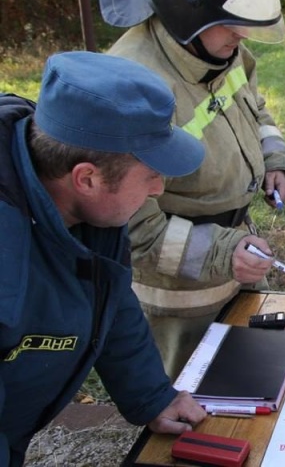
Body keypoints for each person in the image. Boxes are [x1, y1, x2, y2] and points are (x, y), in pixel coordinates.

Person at [98, 0, 285, 379]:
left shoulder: (213, 47)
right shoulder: (134, 89)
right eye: (232, 26)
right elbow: (138, 234)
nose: (241, 36)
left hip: (236, 262)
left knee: (251, 383)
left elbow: (255, 106)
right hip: (180, 297)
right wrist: (225, 251)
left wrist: (275, 160)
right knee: (190, 410)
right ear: (188, 11)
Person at [0, 51, 208, 466]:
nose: (158, 190)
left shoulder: (88, 208)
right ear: (87, 178)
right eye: (151, 174)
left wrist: (151, 397)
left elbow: (108, 298)